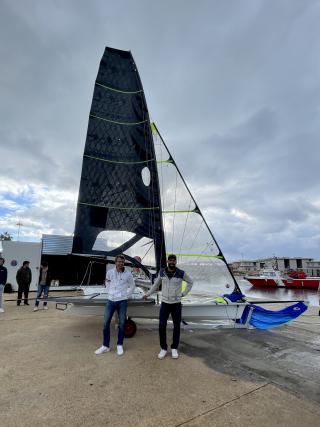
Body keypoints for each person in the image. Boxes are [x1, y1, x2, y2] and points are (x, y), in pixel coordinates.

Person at [144, 254, 193, 360]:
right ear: (167, 261)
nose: (172, 262)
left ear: (176, 262)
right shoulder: (162, 272)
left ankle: (174, 348)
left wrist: (184, 294)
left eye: (173, 261)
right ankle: (163, 348)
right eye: (170, 260)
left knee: (177, 326)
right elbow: (156, 285)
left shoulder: (181, 273)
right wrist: (147, 294)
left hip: (176, 304)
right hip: (165, 303)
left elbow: (190, 282)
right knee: (162, 325)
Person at [95, 254, 135, 356]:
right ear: (115, 262)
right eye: (118, 261)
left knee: (122, 324)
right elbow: (107, 282)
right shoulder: (110, 272)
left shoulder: (128, 274)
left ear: (124, 263)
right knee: (105, 323)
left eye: (122, 262)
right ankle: (105, 346)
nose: (120, 263)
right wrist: (109, 292)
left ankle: (120, 345)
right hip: (110, 300)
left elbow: (132, 286)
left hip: (122, 301)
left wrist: (126, 295)